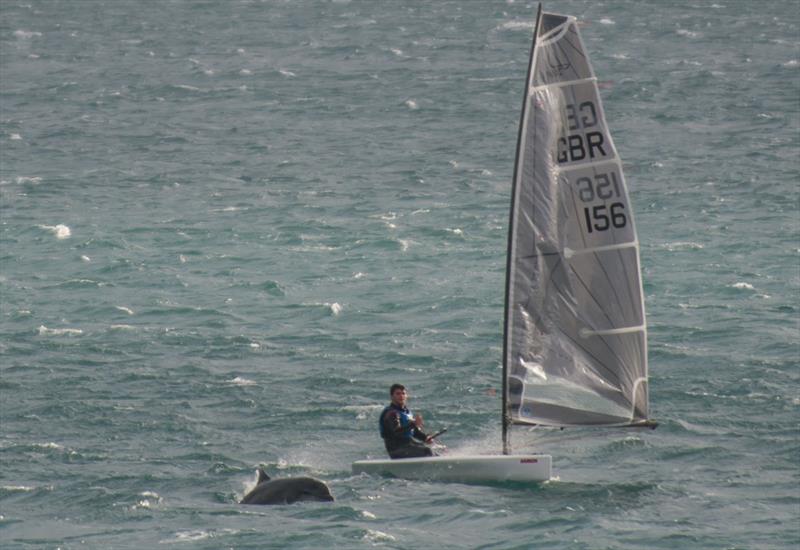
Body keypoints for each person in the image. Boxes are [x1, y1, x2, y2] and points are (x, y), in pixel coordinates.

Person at [379, 384, 434, 459]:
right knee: (427, 451)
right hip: (396, 449)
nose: (401, 396)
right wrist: (413, 424)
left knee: (437, 449)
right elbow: (397, 432)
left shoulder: (406, 412)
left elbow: (414, 432)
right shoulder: (391, 413)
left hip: (409, 445)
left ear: (406, 396)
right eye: (398, 394)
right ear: (392, 396)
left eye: (403, 393)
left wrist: (425, 437)